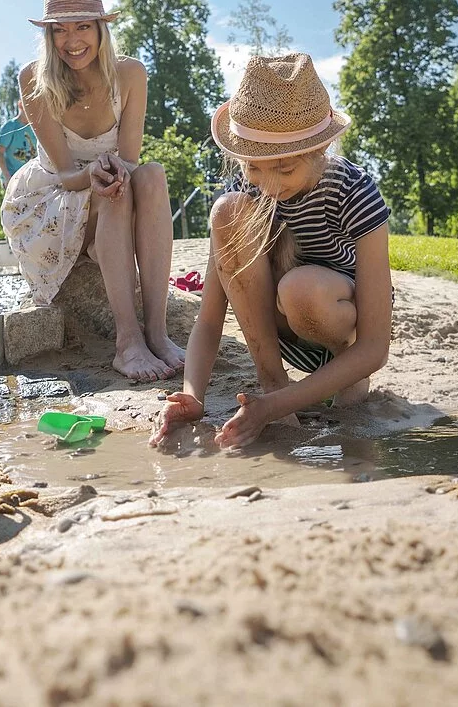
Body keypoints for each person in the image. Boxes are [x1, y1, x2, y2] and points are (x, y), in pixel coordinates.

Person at [149, 53, 392, 449]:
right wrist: (192, 396)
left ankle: (336, 384)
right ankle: (272, 381)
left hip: (343, 333)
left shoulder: (354, 192)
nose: (268, 184)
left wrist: (274, 409)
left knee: (301, 288)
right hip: (280, 334)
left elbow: (375, 347)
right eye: (254, 167)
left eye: (285, 169)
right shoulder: (247, 193)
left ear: (320, 151)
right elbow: (209, 319)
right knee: (225, 209)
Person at [1, 0, 185, 382]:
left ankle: (157, 333)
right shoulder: (33, 78)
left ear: (101, 28)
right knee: (112, 190)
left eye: (83, 26)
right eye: (59, 29)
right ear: (48, 35)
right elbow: (66, 174)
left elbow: (130, 160)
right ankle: (128, 341)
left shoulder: (130, 73)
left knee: (151, 175)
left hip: (110, 186)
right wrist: (95, 173)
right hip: (52, 197)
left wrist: (111, 171)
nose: (71, 40)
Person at [0, 99, 37, 187]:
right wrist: (7, 176)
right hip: (12, 176)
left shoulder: (35, 127)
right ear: (20, 104)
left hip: (30, 177)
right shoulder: (10, 126)